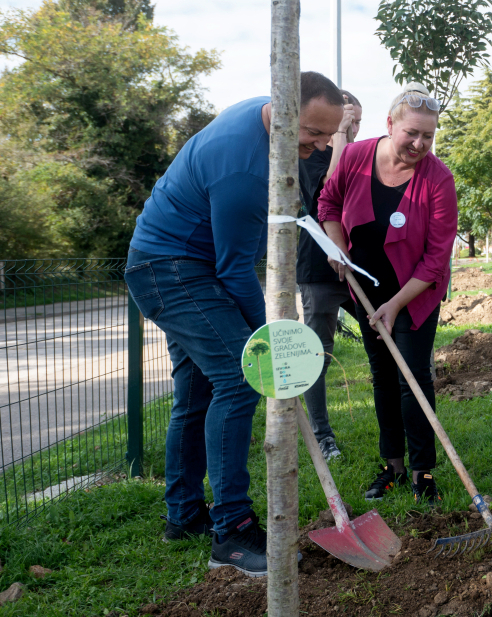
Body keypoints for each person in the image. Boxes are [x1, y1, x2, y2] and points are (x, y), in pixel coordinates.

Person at [125, 72, 345, 576]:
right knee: (238, 382)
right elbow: (234, 270)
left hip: (171, 263)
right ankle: (232, 532)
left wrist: (262, 336)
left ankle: (182, 516)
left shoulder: (260, 116)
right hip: (173, 270)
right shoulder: (246, 171)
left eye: (327, 135)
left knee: (198, 392)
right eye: (312, 132)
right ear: (284, 110)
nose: (318, 146)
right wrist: (268, 340)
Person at [318, 83, 458, 505]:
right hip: (365, 287)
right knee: (382, 375)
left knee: (412, 375)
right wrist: (337, 245)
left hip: (415, 292)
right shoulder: (357, 157)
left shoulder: (438, 179)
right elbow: (327, 202)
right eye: (411, 133)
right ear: (390, 123)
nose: (419, 143)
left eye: (428, 136)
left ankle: (423, 470)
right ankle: (392, 466)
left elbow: (436, 260)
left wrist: (396, 305)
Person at [297, 89, 363, 461]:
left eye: (357, 122)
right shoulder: (313, 154)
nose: (352, 129)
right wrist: (338, 141)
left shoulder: (364, 155)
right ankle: (323, 436)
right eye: (346, 122)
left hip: (357, 268)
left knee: (383, 335)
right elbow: (325, 195)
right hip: (318, 270)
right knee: (318, 355)